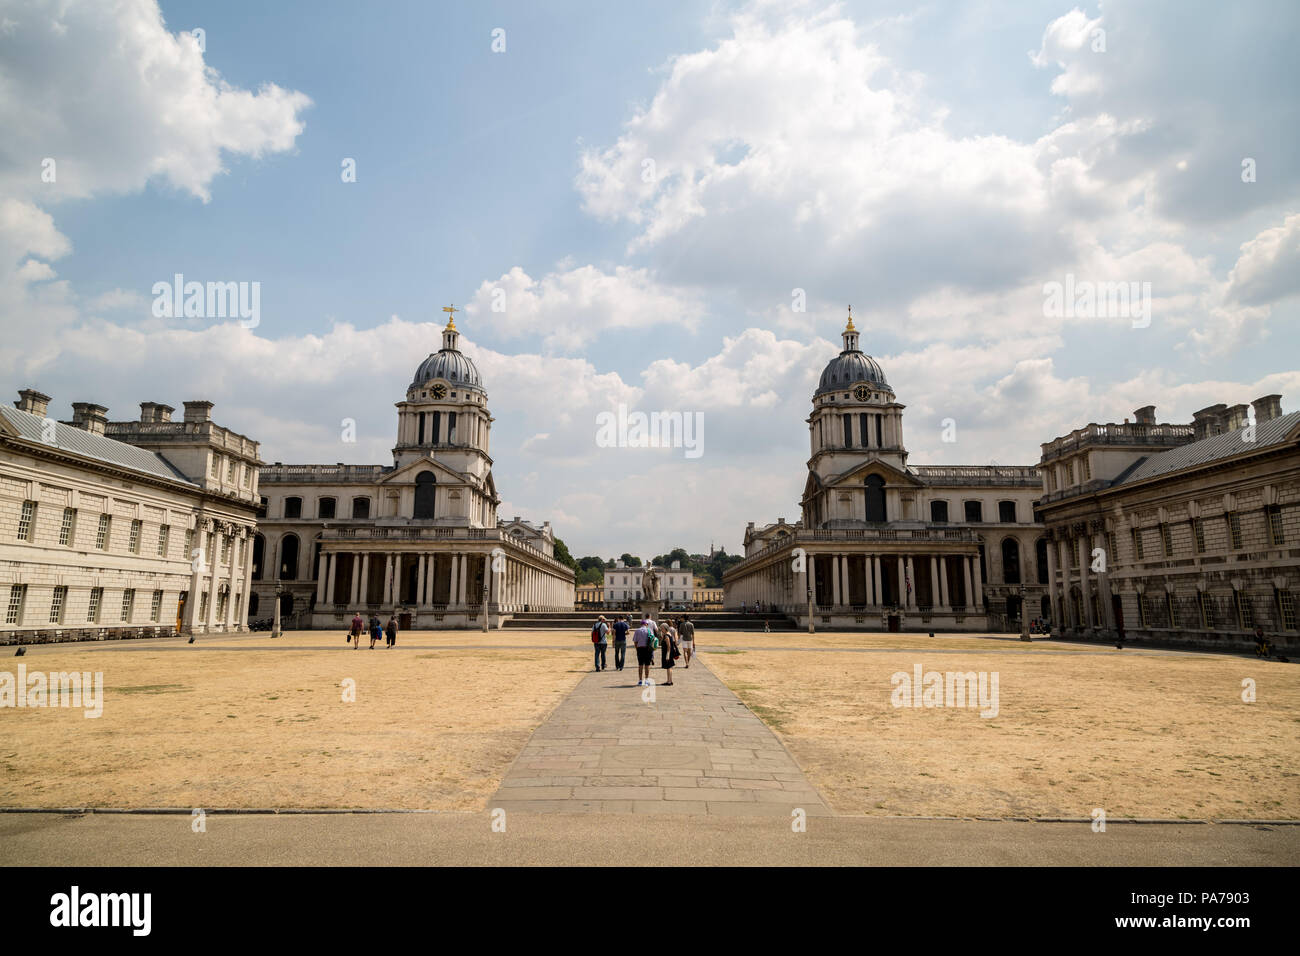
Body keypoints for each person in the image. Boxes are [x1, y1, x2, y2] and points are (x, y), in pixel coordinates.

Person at [633, 619, 653, 686]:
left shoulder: (637, 631)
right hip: (647, 649)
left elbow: (635, 641)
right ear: (646, 624)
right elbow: (652, 640)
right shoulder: (649, 630)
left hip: (640, 649)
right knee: (647, 665)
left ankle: (640, 680)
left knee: (640, 665)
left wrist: (637, 649)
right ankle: (646, 680)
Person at [661, 618, 677, 685]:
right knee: (669, 667)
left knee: (669, 667)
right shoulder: (668, 634)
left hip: (667, 653)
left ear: (665, 628)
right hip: (668, 652)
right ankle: (669, 680)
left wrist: (667, 654)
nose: (661, 629)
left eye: (662, 628)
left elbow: (669, 646)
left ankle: (669, 681)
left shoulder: (667, 636)